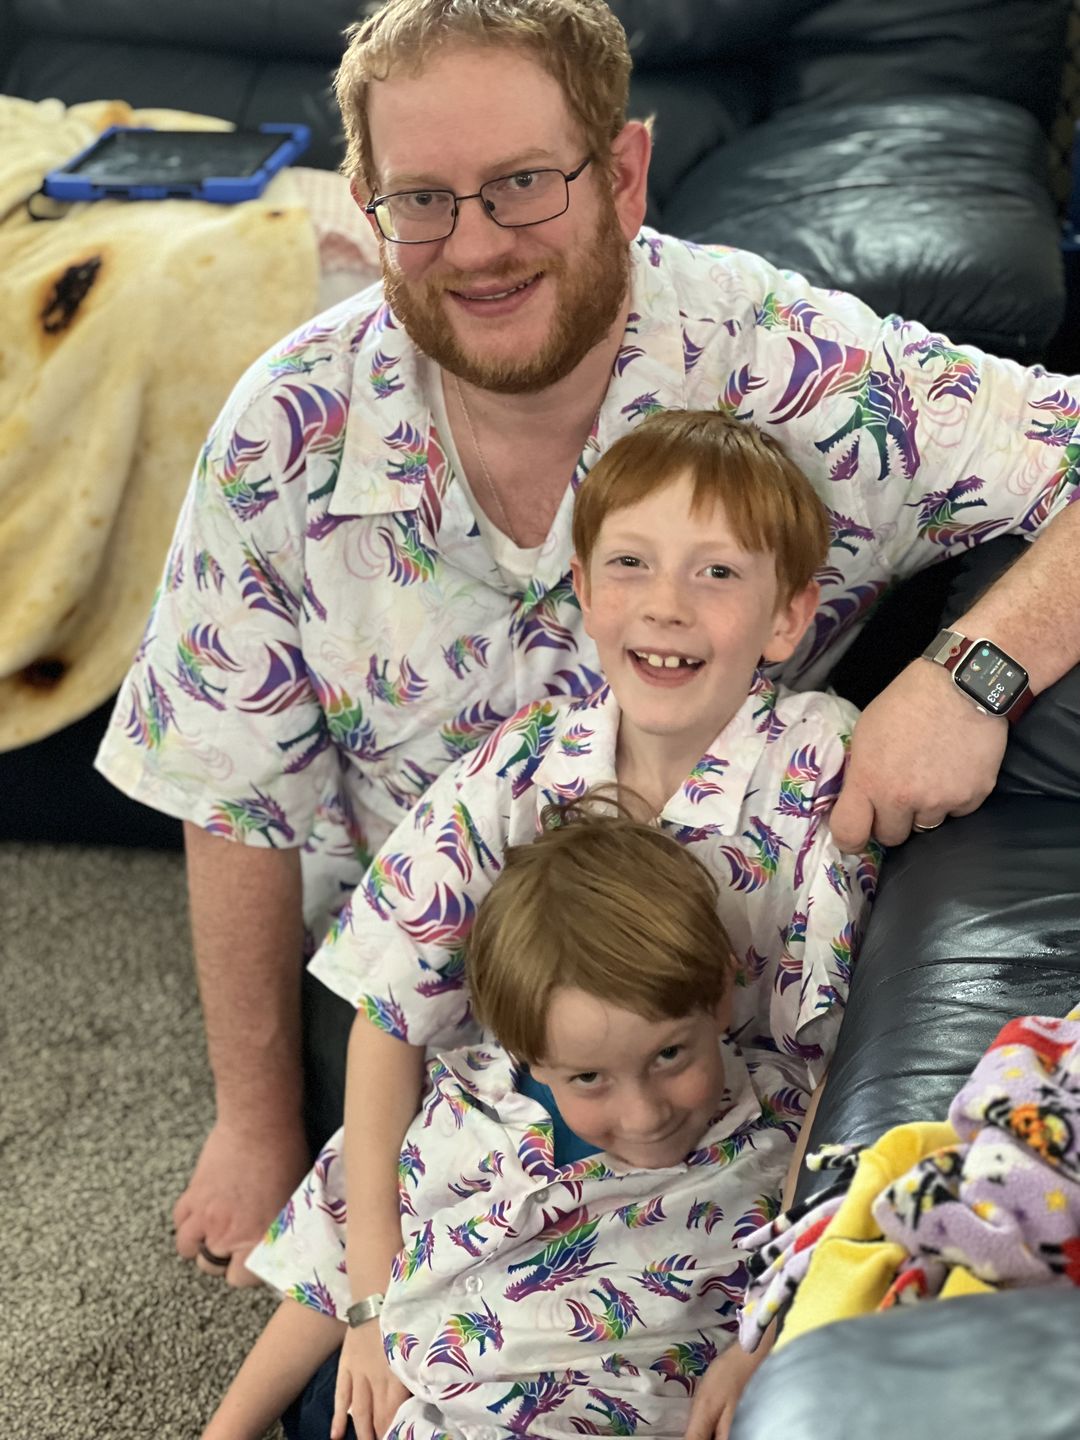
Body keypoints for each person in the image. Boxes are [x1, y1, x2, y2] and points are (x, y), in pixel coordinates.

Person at [94, 0, 1080, 1285]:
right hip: (416, 978)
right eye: (424, 201)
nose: (478, 247)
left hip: (690, 990)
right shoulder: (286, 424)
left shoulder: (787, 367)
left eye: (522, 185)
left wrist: (974, 673)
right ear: (365, 200)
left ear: (622, 173)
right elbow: (232, 788)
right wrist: (254, 1121)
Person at [214, 406, 873, 1440]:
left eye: (717, 574)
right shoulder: (527, 762)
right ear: (584, 590)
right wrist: (374, 1311)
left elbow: (837, 1066)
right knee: (379, 1164)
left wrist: (767, 1332)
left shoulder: (822, 767)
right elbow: (389, 1015)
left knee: (594, 1343)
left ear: (786, 618)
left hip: (715, 1138)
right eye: (633, 566)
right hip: (515, 1101)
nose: (667, 606)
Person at [203, 801, 829, 1440]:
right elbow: (327, 1270)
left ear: (722, 994)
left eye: (670, 1055)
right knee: (321, 1405)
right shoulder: (455, 1114)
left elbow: (850, 1212)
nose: (645, 1114)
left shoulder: (781, 1131)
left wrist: (761, 1348)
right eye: (590, 1078)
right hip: (416, 1406)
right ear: (526, 1051)